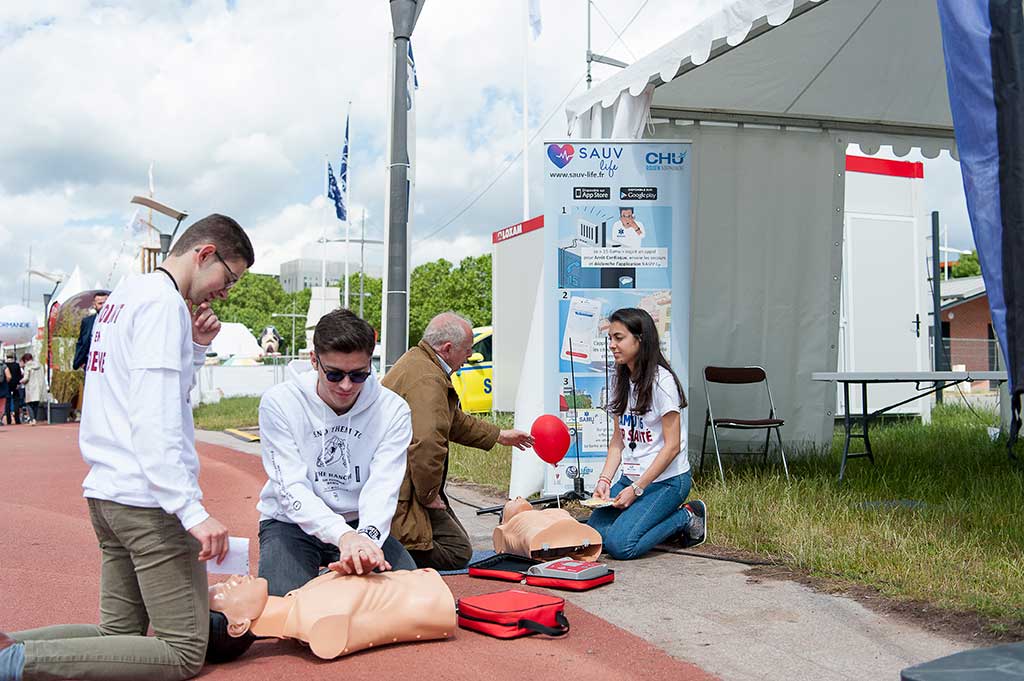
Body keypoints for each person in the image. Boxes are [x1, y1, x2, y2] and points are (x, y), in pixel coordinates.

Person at [1, 214, 254, 681]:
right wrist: (191, 510)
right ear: (204, 254)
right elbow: (154, 418)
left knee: (117, 633)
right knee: (182, 652)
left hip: (108, 490)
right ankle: (17, 662)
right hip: (147, 499)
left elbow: (145, 392)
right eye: (229, 276)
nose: (226, 291)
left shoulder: (126, 296)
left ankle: (13, 647)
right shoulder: (162, 305)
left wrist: (196, 349)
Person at [256, 308, 417, 599]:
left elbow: (383, 487)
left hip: (360, 522)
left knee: (410, 596)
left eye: (359, 375)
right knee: (283, 607)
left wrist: (365, 540)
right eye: (334, 374)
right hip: (289, 523)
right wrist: (342, 536)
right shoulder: (279, 402)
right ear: (314, 360)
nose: (346, 386)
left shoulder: (393, 410)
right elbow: (290, 487)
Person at [382, 312, 533, 571]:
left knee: (453, 543)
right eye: (467, 349)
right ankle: (391, 552)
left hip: (403, 483)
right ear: (448, 348)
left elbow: (452, 421)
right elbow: (427, 443)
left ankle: (390, 545)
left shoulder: (420, 364)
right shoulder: (428, 379)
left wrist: (499, 435)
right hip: (403, 489)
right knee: (456, 551)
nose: (470, 355)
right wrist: (429, 495)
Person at [587, 307, 706, 560]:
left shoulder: (662, 382)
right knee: (594, 538)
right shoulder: (617, 379)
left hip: (667, 481)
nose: (612, 345)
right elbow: (618, 440)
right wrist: (604, 481)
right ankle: (644, 523)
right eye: (610, 338)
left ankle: (687, 516)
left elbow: (672, 447)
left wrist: (637, 489)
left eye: (618, 338)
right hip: (630, 479)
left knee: (621, 546)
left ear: (640, 340)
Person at [207, 569, 456, 661]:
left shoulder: (301, 596)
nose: (233, 579)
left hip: (423, 583)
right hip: (433, 600)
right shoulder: (317, 627)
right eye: (222, 592)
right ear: (238, 626)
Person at [73, 291, 110, 372]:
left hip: (108, 365)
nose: (103, 306)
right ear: (94, 305)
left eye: (106, 303)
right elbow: (81, 342)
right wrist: (81, 362)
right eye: (100, 303)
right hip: (91, 366)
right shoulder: (88, 321)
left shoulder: (116, 321)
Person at [19, 353, 44, 425]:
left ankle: (32, 419)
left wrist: (21, 381)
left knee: (28, 403)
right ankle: (34, 419)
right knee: (36, 404)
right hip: (38, 386)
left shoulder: (27, 366)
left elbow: (26, 378)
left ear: (25, 360)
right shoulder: (39, 365)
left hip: (30, 387)